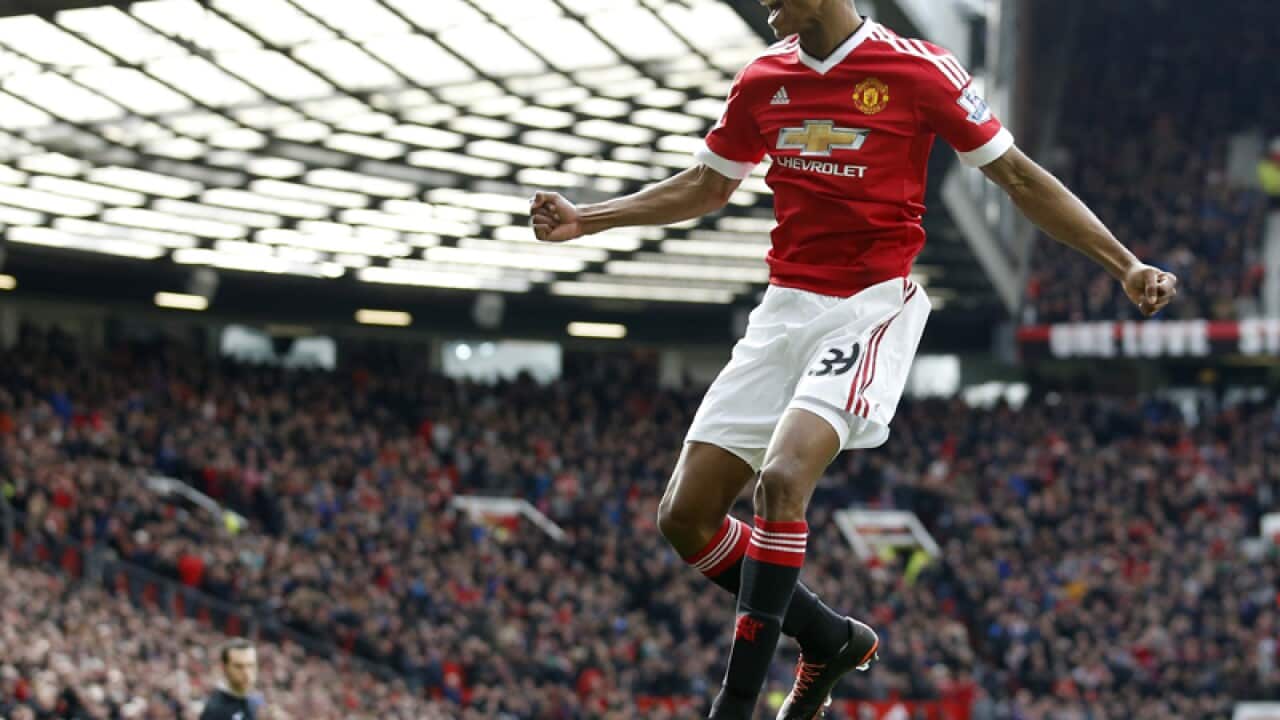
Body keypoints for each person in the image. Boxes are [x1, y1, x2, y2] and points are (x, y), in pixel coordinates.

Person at [529, 1, 1178, 717]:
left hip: (870, 307)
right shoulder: (762, 80)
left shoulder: (917, 69)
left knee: (781, 479)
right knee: (684, 517)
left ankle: (735, 704)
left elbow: (1019, 178)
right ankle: (828, 637)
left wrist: (1123, 263)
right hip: (783, 311)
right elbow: (708, 185)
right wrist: (590, 217)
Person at [198, 640, 264, 720]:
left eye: (251, 665)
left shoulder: (252, 702)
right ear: (224, 668)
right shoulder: (215, 710)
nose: (246, 673)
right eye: (238, 666)